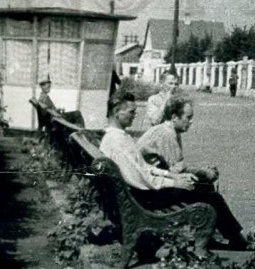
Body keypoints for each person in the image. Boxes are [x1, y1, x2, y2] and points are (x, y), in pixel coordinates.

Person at [101, 91, 246, 251]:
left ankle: (221, 234)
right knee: (211, 196)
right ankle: (231, 239)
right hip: (143, 197)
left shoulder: (118, 137)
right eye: (131, 112)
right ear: (116, 112)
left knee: (203, 188)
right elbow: (140, 179)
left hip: (139, 192)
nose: (135, 115)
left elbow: (143, 169)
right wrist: (173, 181)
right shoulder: (117, 141)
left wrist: (169, 175)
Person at [138, 96, 219, 188]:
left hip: (151, 177)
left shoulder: (168, 130)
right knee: (207, 188)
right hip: (148, 183)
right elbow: (177, 170)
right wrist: (203, 172)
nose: (191, 121)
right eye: (188, 117)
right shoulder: (167, 134)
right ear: (174, 117)